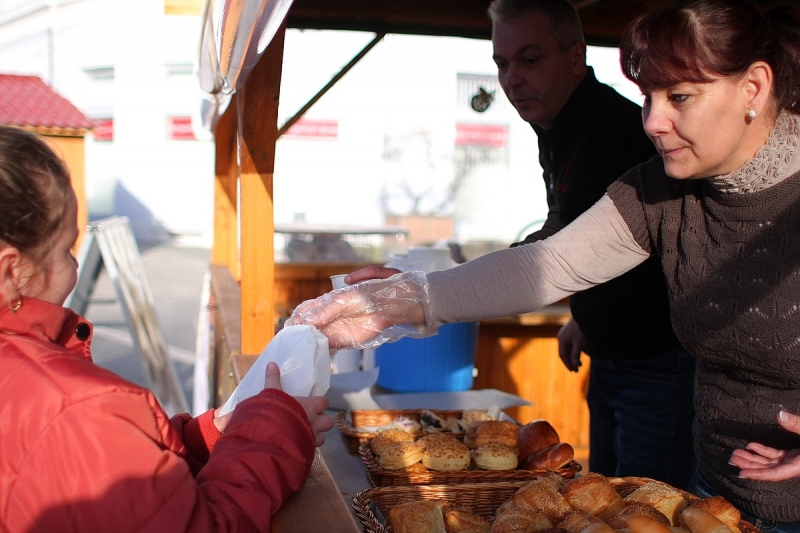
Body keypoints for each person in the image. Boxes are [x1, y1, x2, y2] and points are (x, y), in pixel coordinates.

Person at [294, 0, 800, 528]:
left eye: (679, 97)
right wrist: (400, 298)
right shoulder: (661, 189)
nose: (653, 121)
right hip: (714, 495)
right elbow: (548, 263)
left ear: (754, 87)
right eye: (647, 97)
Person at [348, 0, 698, 490]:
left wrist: (421, 293)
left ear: (575, 57)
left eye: (529, 60)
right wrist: (584, 315)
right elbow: (591, 239)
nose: (512, 78)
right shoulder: (557, 124)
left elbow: (559, 251)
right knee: (609, 493)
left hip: (660, 363)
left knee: (646, 502)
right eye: (502, 64)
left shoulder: (612, 133)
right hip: (611, 351)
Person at [0, 125, 333, 532]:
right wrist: (272, 432)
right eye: (68, 250)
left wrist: (210, 437)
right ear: (11, 271)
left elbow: (125, 495)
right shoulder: (77, 410)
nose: (75, 266)